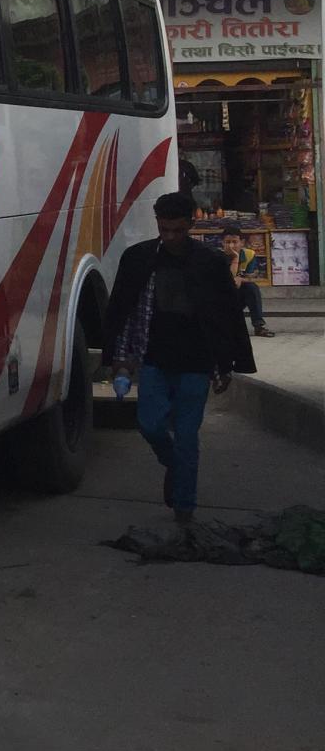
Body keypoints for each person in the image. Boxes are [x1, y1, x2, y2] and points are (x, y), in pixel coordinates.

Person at [104, 193, 255, 525]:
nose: (170, 237)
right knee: (150, 425)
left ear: (191, 225)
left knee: (188, 437)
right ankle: (173, 464)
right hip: (154, 360)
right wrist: (118, 357)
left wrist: (227, 365)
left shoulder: (211, 263)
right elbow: (123, 312)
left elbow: (226, 318)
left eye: (177, 230)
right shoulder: (138, 258)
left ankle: (184, 509)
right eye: (164, 229)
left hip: (196, 365)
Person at [220, 224, 276, 338]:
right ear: (222, 243)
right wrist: (235, 258)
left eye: (235, 242)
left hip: (237, 295)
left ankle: (259, 326)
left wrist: (240, 277)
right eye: (228, 242)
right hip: (219, 297)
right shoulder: (216, 256)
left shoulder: (249, 255)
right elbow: (229, 280)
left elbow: (252, 275)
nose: (231, 245)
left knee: (252, 288)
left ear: (242, 243)